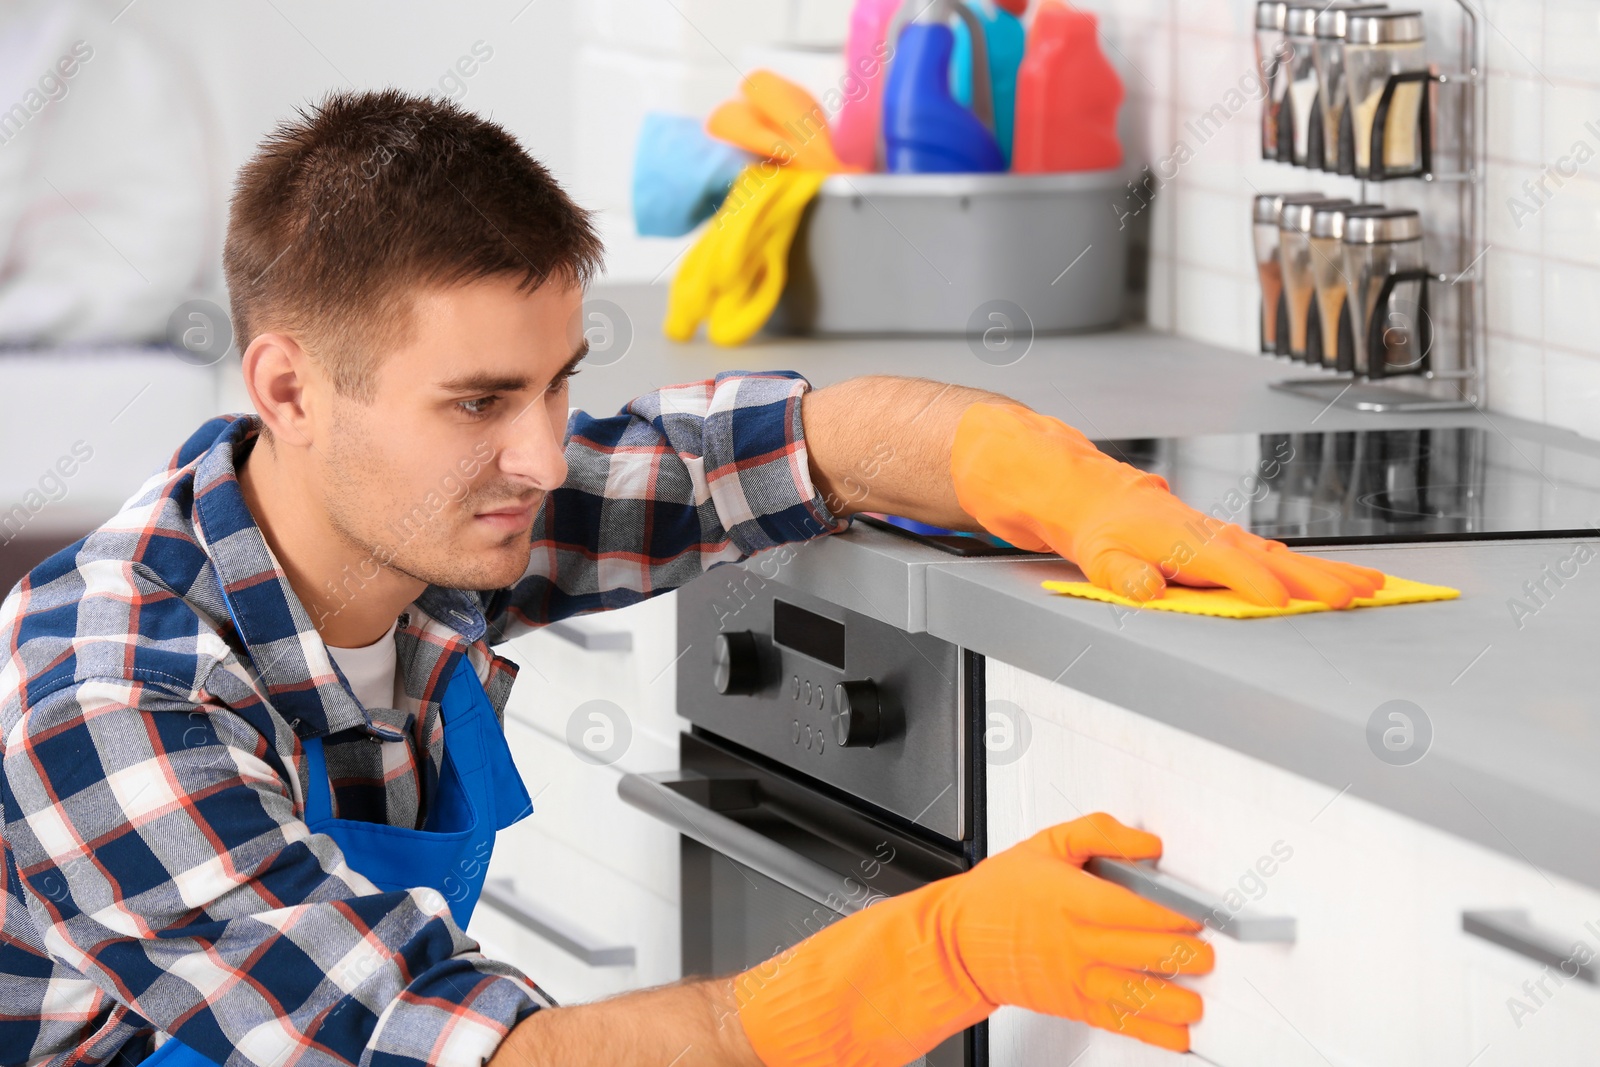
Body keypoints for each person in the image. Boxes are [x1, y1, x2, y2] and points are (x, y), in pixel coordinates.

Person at [0, 90, 1383, 1067]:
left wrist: (1046, 472)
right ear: (289, 387)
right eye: (479, 401)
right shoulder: (109, 698)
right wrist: (936, 962)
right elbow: (491, 1062)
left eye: (557, 385)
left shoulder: (390, 511)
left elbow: (789, 446)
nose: (541, 458)